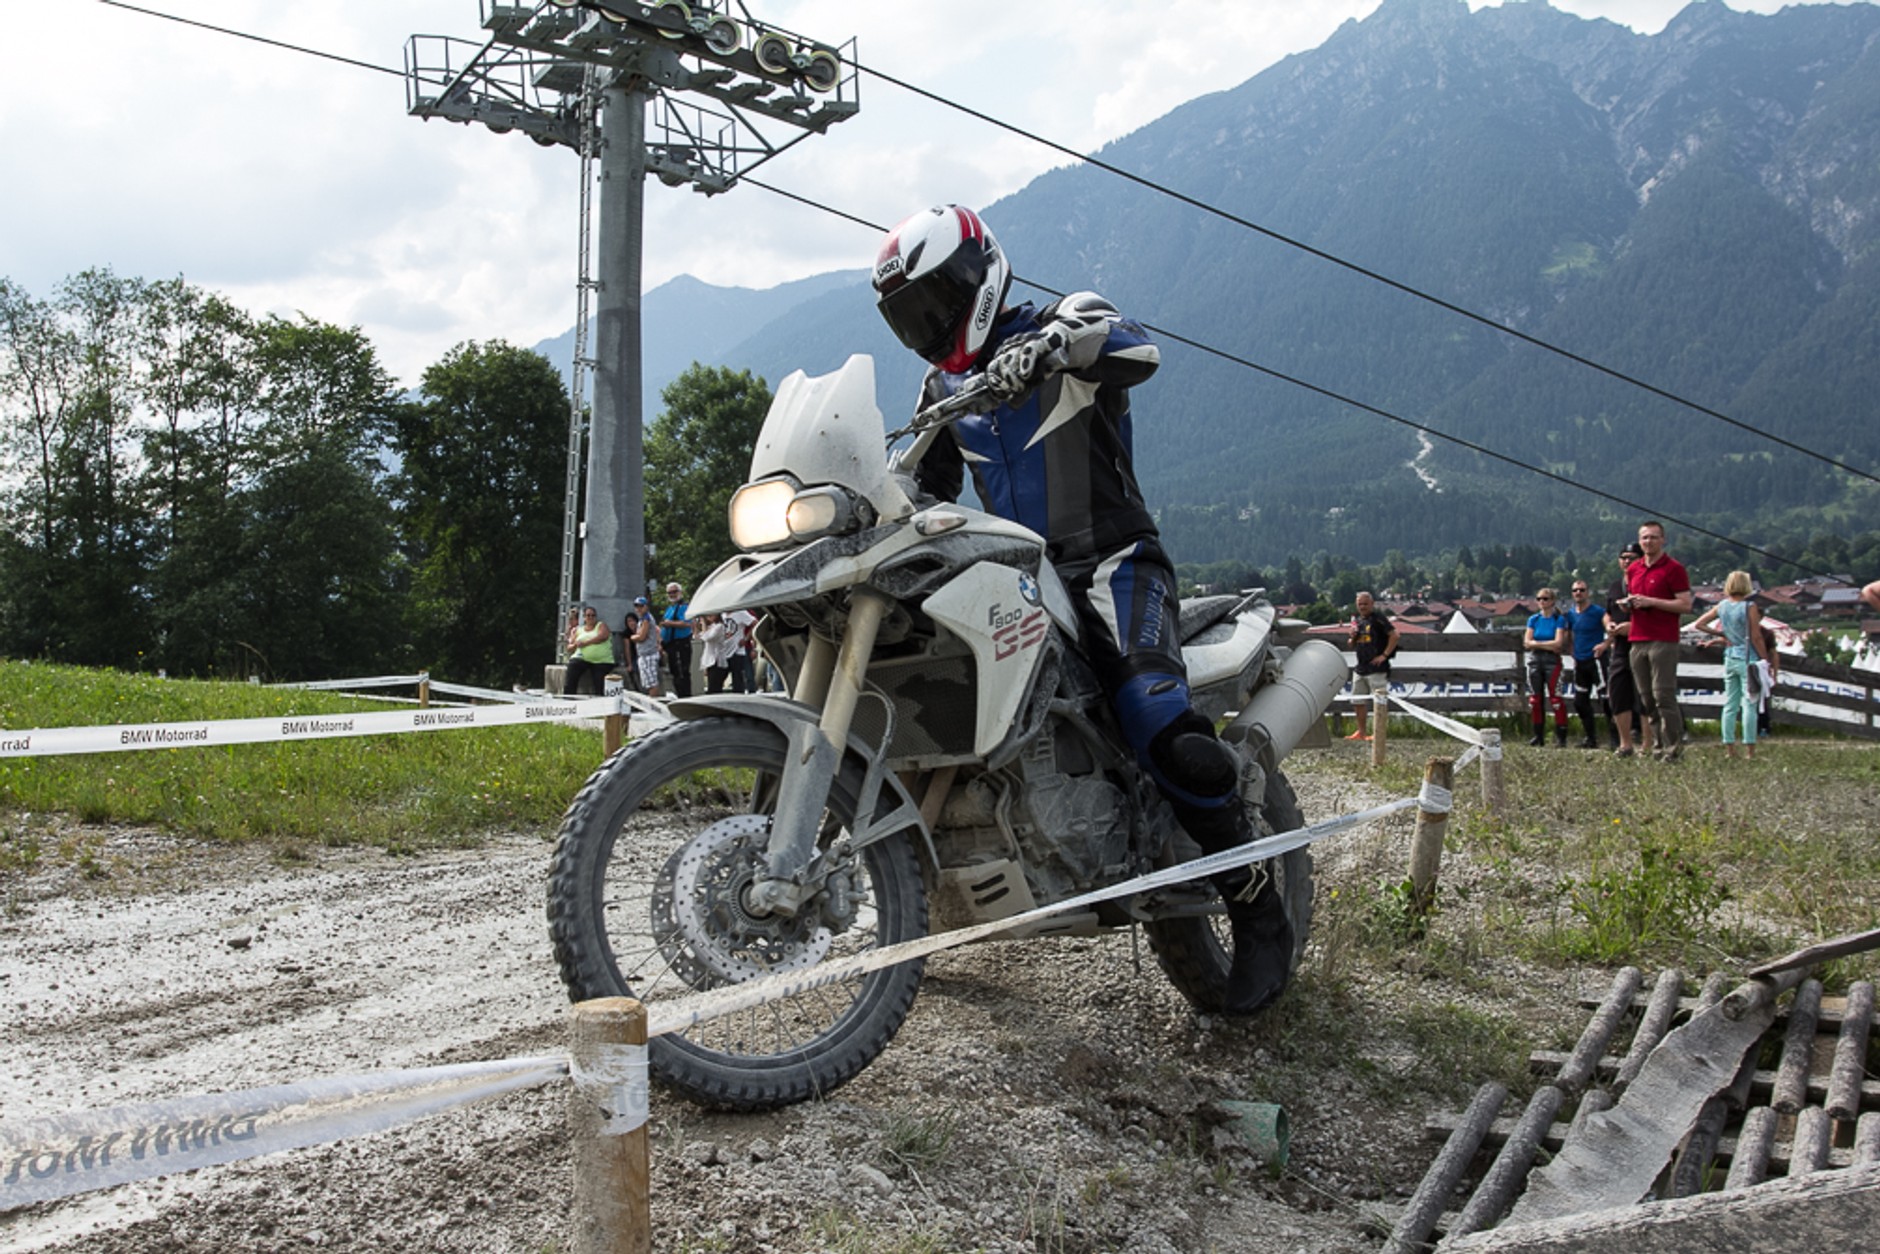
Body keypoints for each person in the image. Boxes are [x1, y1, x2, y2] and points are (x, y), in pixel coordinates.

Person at [873, 202, 1291, 1015]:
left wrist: (1058, 349)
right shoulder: (942, 385)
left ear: (978, 276)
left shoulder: (1062, 321)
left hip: (1113, 563)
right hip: (1020, 577)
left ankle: (1257, 904)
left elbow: (1138, 347)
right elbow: (920, 486)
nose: (928, 324)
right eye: (910, 315)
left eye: (936, 301)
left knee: (1158, 721)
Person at [1623, 521, 1694, 762]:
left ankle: (1673, 747)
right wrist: (1631, 603)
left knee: (1663, 694)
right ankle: (1657, 745)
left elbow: (1685, 604)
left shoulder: (1674, 568)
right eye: (1644, 538)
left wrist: (1652, 601)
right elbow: (1637, 599)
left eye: (1653, 537)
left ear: (1663, 540)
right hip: (1638, 638)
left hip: (1663, 639)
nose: (1648, 542)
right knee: (1646, 698)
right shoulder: (1633, 569)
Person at [1692, 570, 1770, 759]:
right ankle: (1750, 749)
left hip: (1730, 656)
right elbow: (1756, 636)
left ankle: (1729, 748)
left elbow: (1699, 624)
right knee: (1749, 704)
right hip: (1748, 658)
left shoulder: (1722, 606)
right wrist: (1764, 658)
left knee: (1730, 704)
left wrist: (1721, 634)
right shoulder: (1749, 606)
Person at [1600, 541, 1649, 758]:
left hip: (1643, 644)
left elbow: (1657, 616)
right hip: (1619, 647)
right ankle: (1625, 744)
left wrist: (1633, 627)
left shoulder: (1647, 584)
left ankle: (1648, 744)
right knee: (1618, 694)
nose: (1627, 561)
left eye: (1631, 557)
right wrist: (1608, 625)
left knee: (1645, 695)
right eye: (1623, 557)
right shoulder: (1615, 585)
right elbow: (1607, 612)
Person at [1523, 588, 1572, 747]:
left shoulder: (1559, 619)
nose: (1542, 602)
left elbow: (1558, 643)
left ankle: (1561, 737)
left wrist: (1537, 644)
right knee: (1535, 700)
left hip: (1552, 661)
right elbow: (1526, 642)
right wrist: (1547, 645)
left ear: (1552, 601)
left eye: (1545, 599)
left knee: (1556, 699)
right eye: (1539, 599)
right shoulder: (1533, 619)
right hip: (1535, 660)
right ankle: (1538, 736)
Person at [1346, 592, 1398, 741]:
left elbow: (1394, 635)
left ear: (1372, 604)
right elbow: (1351, 644)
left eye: (1365, 604)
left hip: (1377, 667)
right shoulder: (1357, 621)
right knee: (1358, 700)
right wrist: (1352, 636)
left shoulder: (1378, 618)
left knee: (1379, 700)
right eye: (1360, 604)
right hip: (1360, 666)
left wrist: (1385, 655)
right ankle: (1361, 731)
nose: (1362, 607)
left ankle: (1378, 731)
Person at [1564, 580, 1607, 749]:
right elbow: (1569, 635)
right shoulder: (1571, 614)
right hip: (1580, 662)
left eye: (1582, 590)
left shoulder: (1598, 612)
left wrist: (1606, 644)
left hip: (1596, 660)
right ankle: (1591, 738)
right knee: (1580, 702)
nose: (1578, 593)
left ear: (1588, 592)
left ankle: (1615, 737)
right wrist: (1571, 651)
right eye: (1575, 590)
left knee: (1606, 699)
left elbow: (1610, 628)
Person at [563, 605, 613, 697]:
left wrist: (586, 643)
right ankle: (568, 698)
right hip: (583, 659)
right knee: (572, 670)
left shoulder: (601, 625)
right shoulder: (579, 630)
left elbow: (603, 636)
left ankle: (601, 703)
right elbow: (569, 647)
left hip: (601, 661)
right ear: (584, 617)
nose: (590, 617)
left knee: (599, 682)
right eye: (588, 615)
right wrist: (575, 645)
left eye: (593, 615)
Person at [660, 582, 694, 698]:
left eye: (674, 592)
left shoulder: (684, 607)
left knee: (682, 672)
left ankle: (686, 697)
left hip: (681, 643)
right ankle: (680, 696)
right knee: (675, 672)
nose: (672, 595)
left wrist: (670, 623)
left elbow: (687, 623)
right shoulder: (670, 608)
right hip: (670, 644)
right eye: (669, 593)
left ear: (680, 592)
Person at [698, 613, 737, 695]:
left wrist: (704, 624)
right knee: (712, 687)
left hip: (717, 660)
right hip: (710, 661)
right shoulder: (712, 627)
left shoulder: (719, 626)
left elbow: (708, 638)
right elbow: (700, 636)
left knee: (714, 688)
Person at [630, 596, 662, 697]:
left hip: (648, 654)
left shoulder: (646, 619)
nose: (639, 609)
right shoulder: (643, 619)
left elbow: (642, 637)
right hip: (644, 654)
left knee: (652, 684)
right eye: (636, 606)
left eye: (641, 606)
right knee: (648, 683)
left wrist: (633, 637)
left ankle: (654, 705)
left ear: (646, 606)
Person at [1756, 621, 1779, 738]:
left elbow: (1774, 654)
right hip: (1749, 667)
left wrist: (1775, 673)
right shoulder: (1743, 630)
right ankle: (1755, 727)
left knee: (1763, 700)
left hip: (1762, 669)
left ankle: (1764, 727)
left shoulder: (1767, 633)